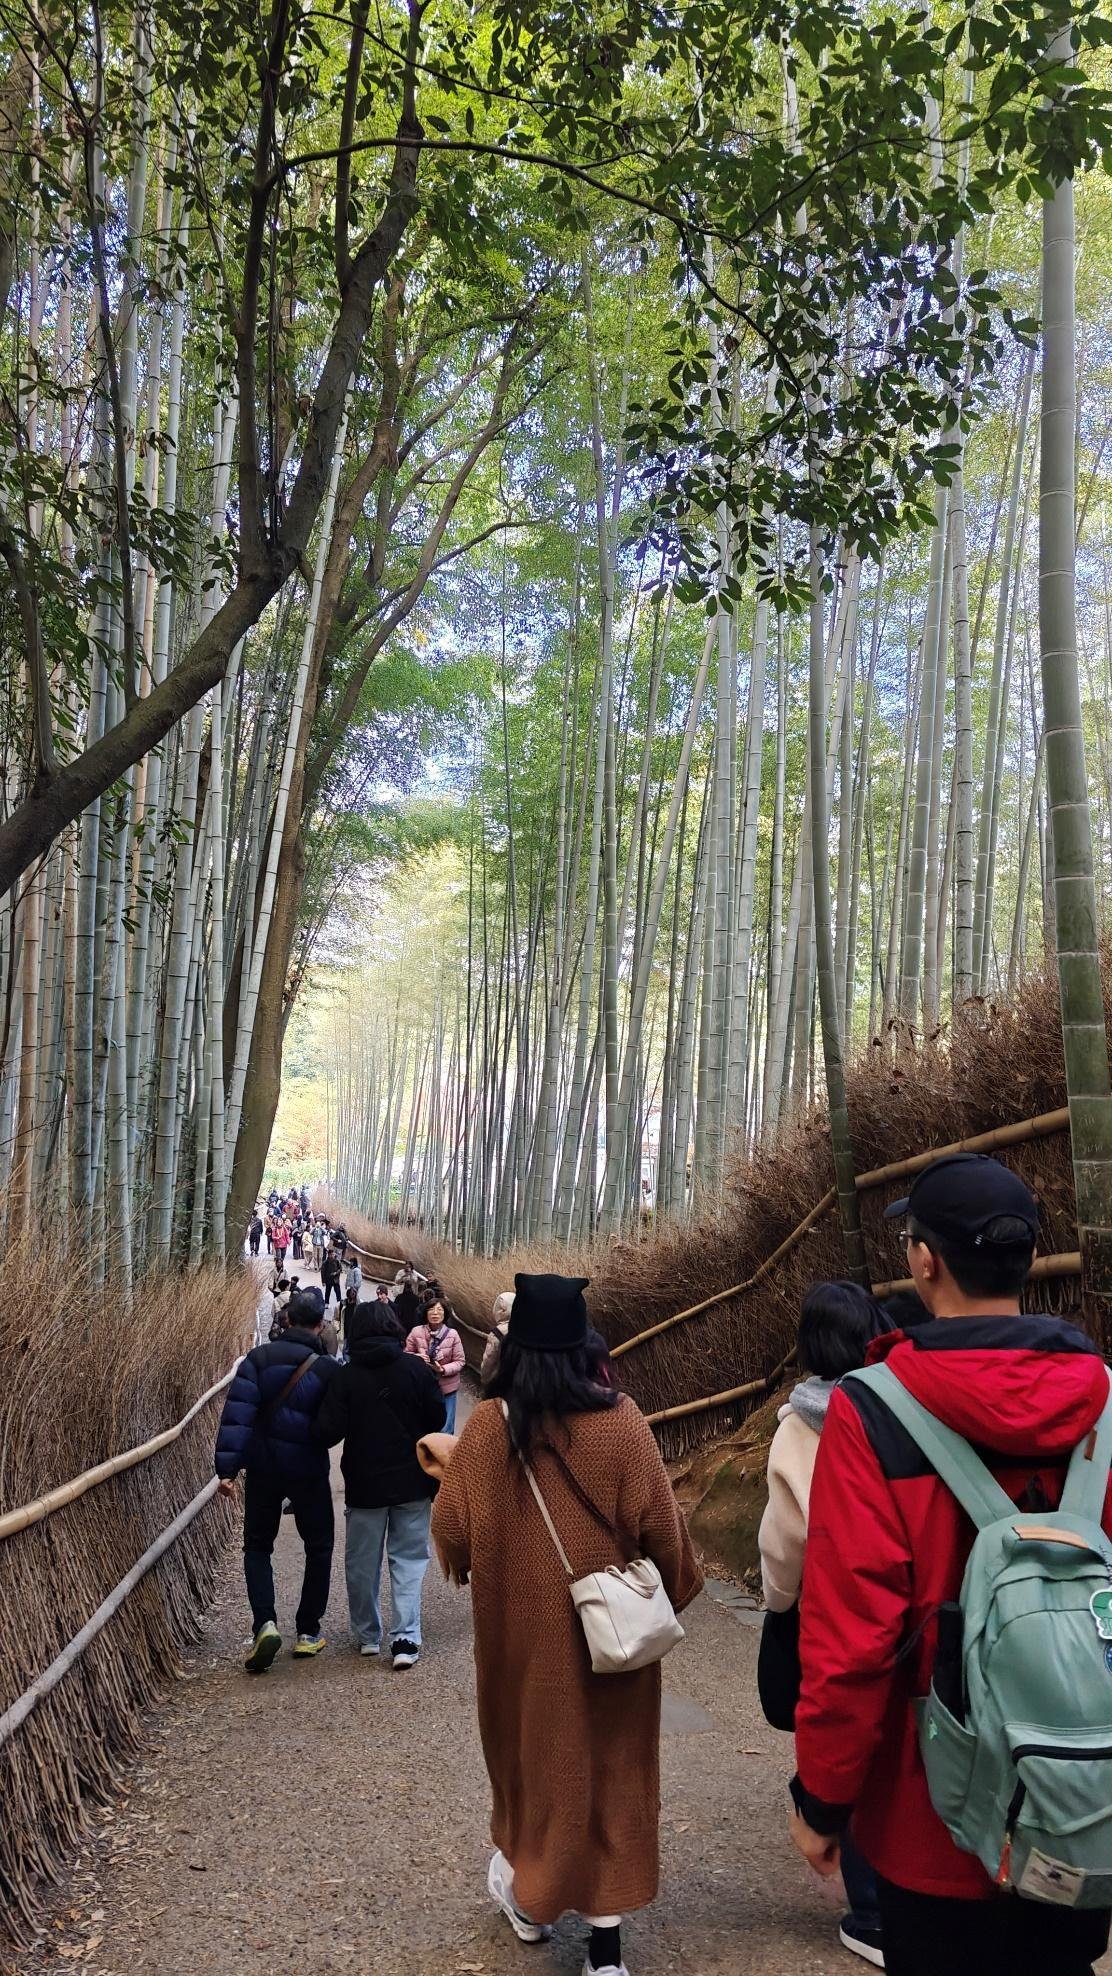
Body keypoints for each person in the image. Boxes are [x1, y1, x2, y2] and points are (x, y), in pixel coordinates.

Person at [789, 1154, 1112, 1976]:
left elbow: (852, 1638)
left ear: (923, 1261)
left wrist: (823, 1798)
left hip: (932, 1813)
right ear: (1028, 1260)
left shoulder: (871, 1410)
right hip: (1082, 1797)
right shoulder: (1104, 1403)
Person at [432, 1273, 702, 1976]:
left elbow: (452, 1532)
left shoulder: (490, 1430)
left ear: (510, 1352)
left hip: (521, 1651)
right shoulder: (623, 1422)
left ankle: (530, 1901)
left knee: (532, 1768)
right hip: (612, 1649)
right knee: (610, 1774)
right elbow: (668, 1543)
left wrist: (479, 1560)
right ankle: (606, 1956)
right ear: (584, 1347)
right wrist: (663, 1597)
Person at [757, 1281, 886, 1968]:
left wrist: (781, 1604)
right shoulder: (905, 1402)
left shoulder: (802, 1423)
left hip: (830, 1608)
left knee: (842, 1733)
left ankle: (872, 1911)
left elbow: (783, 1544)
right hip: (909, 1602)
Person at [314, 1300, 446, 1669]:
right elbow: (437, 1415)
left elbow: (328, 1430)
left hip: (365, 1481)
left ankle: (368, 1635)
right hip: (413, 1481)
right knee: (408, 1560)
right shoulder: (415, 1371)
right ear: (394, 1328)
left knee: (361, 1562)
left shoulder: (346, 1375)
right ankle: (405, 1639)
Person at [214, 1286, 339, 1672]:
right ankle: (307, 1631)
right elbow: (332, 1425)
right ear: (320, 1325)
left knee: (257, 1545)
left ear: (286, 1320)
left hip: (264, 1468)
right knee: (319, 1546)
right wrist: (315, 1441)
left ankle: (264, 1624)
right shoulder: (327, 1368)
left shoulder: (257, 1359)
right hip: (307, 1469)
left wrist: (227, 1471)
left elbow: (238, 1415)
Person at [406, 1298, 466, 1434]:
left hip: (446, 1388)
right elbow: (405, 1355)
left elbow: (460, 1361)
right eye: (431, 1309)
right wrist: (417, 1357)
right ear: (425, 1313)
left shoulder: (452, 1334)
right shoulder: (416, 1332)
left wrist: (442, 1369)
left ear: (445, 1314)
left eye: (439, 1310)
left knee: (445, 1429)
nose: (435, 1313)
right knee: (421, 1427)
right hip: (422, 1388)